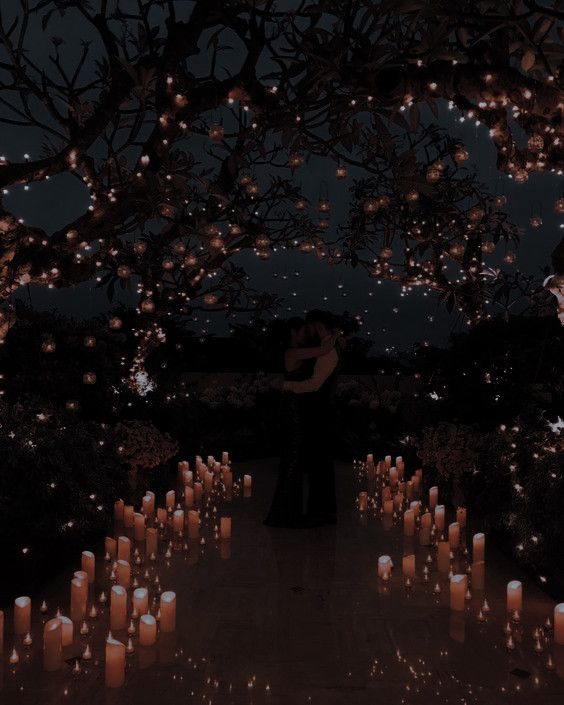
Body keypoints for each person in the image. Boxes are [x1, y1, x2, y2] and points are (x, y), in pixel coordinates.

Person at [264, 318, 339, 528]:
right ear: (294, 333)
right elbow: (325, 350)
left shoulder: (299, 352)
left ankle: (290, 512)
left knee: (294, 459)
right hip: (293, 409)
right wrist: (334, 335)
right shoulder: (292, 353)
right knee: (292, 458)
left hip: (297, 407)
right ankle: (284, 513)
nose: (307, 334)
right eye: (304, 331)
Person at [283, 310, 343, 527]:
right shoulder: (325, 347)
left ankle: (322, 512)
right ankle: (322, 511)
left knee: (320, 464)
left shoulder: (327, 351)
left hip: (319, 413)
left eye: (309, 328)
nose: (308, 333)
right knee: (319, 463)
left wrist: (285, 386)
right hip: (317, 412)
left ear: (317, 327)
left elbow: (314, 385)